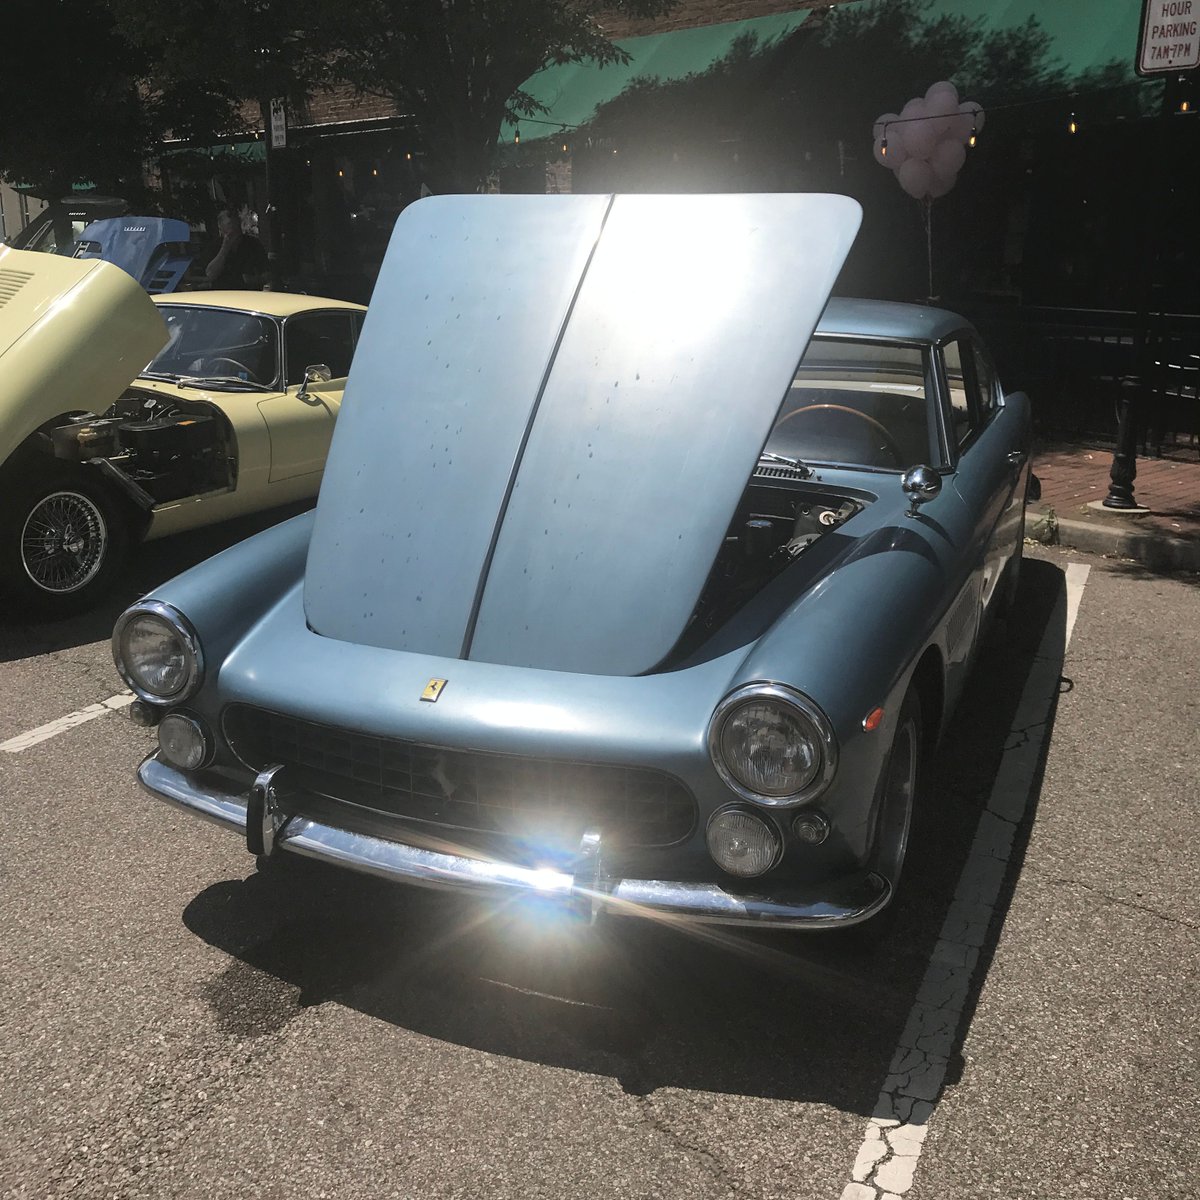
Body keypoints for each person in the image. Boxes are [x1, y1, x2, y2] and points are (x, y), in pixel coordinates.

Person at [205, 209, 267, 289]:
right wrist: (225, 248)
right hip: (223, 297)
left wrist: (254, 280)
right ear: (221, 227)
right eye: (230, 225)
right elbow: (210, 274)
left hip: (250, 296)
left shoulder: (253, 244)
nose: (234, 229)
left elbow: (267, 273)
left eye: (236, 224)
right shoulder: (215, 246)